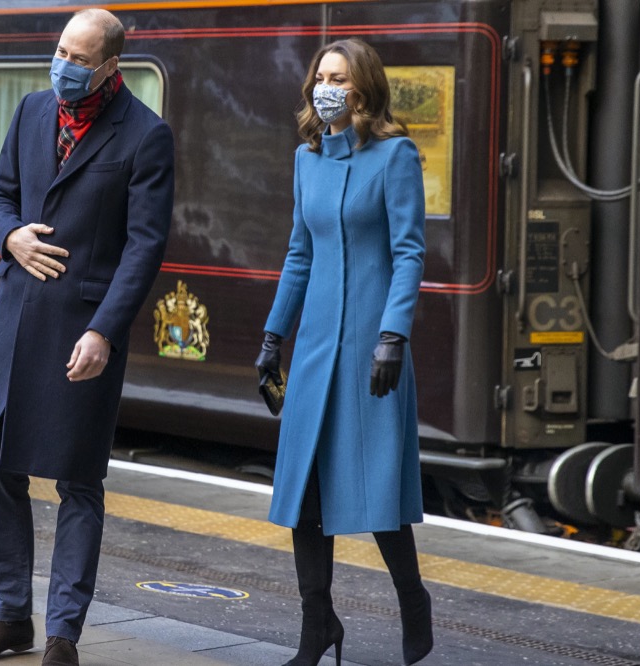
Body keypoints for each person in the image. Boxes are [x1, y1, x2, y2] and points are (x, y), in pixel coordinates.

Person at [0, 8, 174, 666]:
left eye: (80, 58)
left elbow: (144, 247)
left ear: (111, 66)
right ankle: (10, 615)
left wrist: (106, 329)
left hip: (83, 328)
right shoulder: (30, 110)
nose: (64, 66)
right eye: (61, 51)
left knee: (77, 480)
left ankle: (62, 634)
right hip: (15, 317)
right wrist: (10, 233)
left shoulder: (145, 135)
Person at [254, 39, 433, 666]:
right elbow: (299, 254)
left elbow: (410, 252)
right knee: (306, 494)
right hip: (313, 354)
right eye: (320, 77)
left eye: (340, 78)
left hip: (371, 350)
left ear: (365, 90)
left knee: (377, 487)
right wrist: (275, 337)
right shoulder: (308, 161)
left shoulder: (396, 156)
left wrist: (394, 335)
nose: (325, 87)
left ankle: (414, 601)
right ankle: (316, 627)